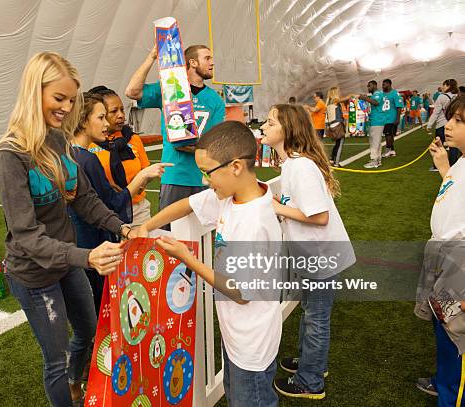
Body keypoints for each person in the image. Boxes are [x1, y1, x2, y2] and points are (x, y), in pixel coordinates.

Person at [0, 51, 132, 407]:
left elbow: (84, 199)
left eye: (71, 100)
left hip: (67, 263)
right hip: (35, 274)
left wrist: (122, 228)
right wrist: (86, 256)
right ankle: (66, 389)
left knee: (88, 331)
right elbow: (27, 236)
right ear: (33, 92)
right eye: (59, 98)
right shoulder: (10, 154)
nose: (67, 107)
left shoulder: (58, 141)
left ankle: (75, 382)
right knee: (54, 361)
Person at [135, 121, 283, 406]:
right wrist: (148, 226)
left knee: (249, 398)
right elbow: (188, 204)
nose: (204, 180)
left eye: (207, 172)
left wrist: (187, 258)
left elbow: (240, 293)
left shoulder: (253, 222)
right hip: (238, 336)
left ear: (236, 167)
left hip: (252, 344)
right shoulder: (233, 196)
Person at [260, 104, 355, 400]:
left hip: (321, 255)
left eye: (270, 121)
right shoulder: (292, 164)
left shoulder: (300, 166)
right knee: (311, 312)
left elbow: (319, 216)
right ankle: (311, 363)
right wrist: (280, 203)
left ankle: (311, 381)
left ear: (287, 130)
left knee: (316, 317)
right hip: (313, 254)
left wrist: (276, 207)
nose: (263, 126)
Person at [69, 93, 169, 314]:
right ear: (84, 121)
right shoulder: (87, 159)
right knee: (101, 308)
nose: (107, 124)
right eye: (102, 117)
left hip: (77, 243)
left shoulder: (69, 155)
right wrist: (142, 177)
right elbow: (110, 205)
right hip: (94, 242)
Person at [125, 44, 225, 217]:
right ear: (192, 63)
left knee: (202, 235)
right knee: (168, 233)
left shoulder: (215, 100)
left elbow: (217, 141)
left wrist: (194, 147)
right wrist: (152, 57)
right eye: (207, 58)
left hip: (204, 177)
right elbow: (132, 91)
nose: (212, 63)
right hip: (175, 175)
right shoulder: (170, 88)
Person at [414, 95, 465, 406]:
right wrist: (445, 167)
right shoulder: (461, 161)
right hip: (444, 260)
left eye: (459, 120)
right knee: (445, 331)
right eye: (450, 118)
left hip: (460, 267)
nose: (448, 125)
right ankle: (444, 381)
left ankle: (452, 393)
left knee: (458, 336)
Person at [86, 86, 153, 225]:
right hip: (106, 211)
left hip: (138, 210)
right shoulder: (89, 144)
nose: (121, 115)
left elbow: (146, 169)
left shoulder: (133, 139)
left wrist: (140, 184)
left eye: (122, 109)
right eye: (114, 111)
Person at [427, 79, 459, 169]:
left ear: (448, 86)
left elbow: (436, 112)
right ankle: (453, 167)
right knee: (454, 146)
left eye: (444, 85)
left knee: (439, 146)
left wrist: (429, 125)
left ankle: (437, 166)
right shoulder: (458, 96)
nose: (442, 87)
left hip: (442, 124)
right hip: (454, 124)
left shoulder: (441, 97)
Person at [358, 80, 384, 168]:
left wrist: (365, 98)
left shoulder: (377, 93)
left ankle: (374, 160)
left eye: (369, 86)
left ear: (374, 85)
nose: (368, 88)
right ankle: (378, 159)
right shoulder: (375, 94)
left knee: (374, 142)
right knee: (376, 141)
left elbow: (376, 102)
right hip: (375, 120)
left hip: (377, 121)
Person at [325, 87, 349, 165]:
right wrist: (352, 95)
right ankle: (336, 163)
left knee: (337, 143)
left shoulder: (329, 102)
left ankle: (332, 158)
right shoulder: (334, 100)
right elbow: (344, 99)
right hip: (337, 125)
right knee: (340, 144)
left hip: (332, 125)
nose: (339, 93)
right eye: (338, 92)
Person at [381, 79, 403, 157]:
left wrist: (397, 118)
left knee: (388, 135)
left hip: (391, 118)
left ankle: (387, 150)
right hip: (384, 118)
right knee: (389, 134)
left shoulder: (395, 93)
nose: (382, 86)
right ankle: (392, 150)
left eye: (384, 84)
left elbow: (399, 107)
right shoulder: (382, 94)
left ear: (389, 84)